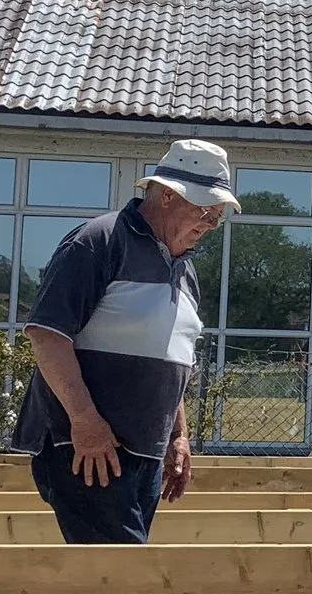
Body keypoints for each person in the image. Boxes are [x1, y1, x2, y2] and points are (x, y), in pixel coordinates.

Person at [14, 138, 235, 542]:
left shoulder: (185, 270)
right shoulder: (99, 241)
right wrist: (85, 421)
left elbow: (171, 357)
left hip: (142, 455)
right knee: (119, 581)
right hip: (88, 449)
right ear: (167, 195)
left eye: (218, 217)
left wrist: (177, 436)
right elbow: (48, 337)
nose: (210, 225)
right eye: (206, 211)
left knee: (112, 582)